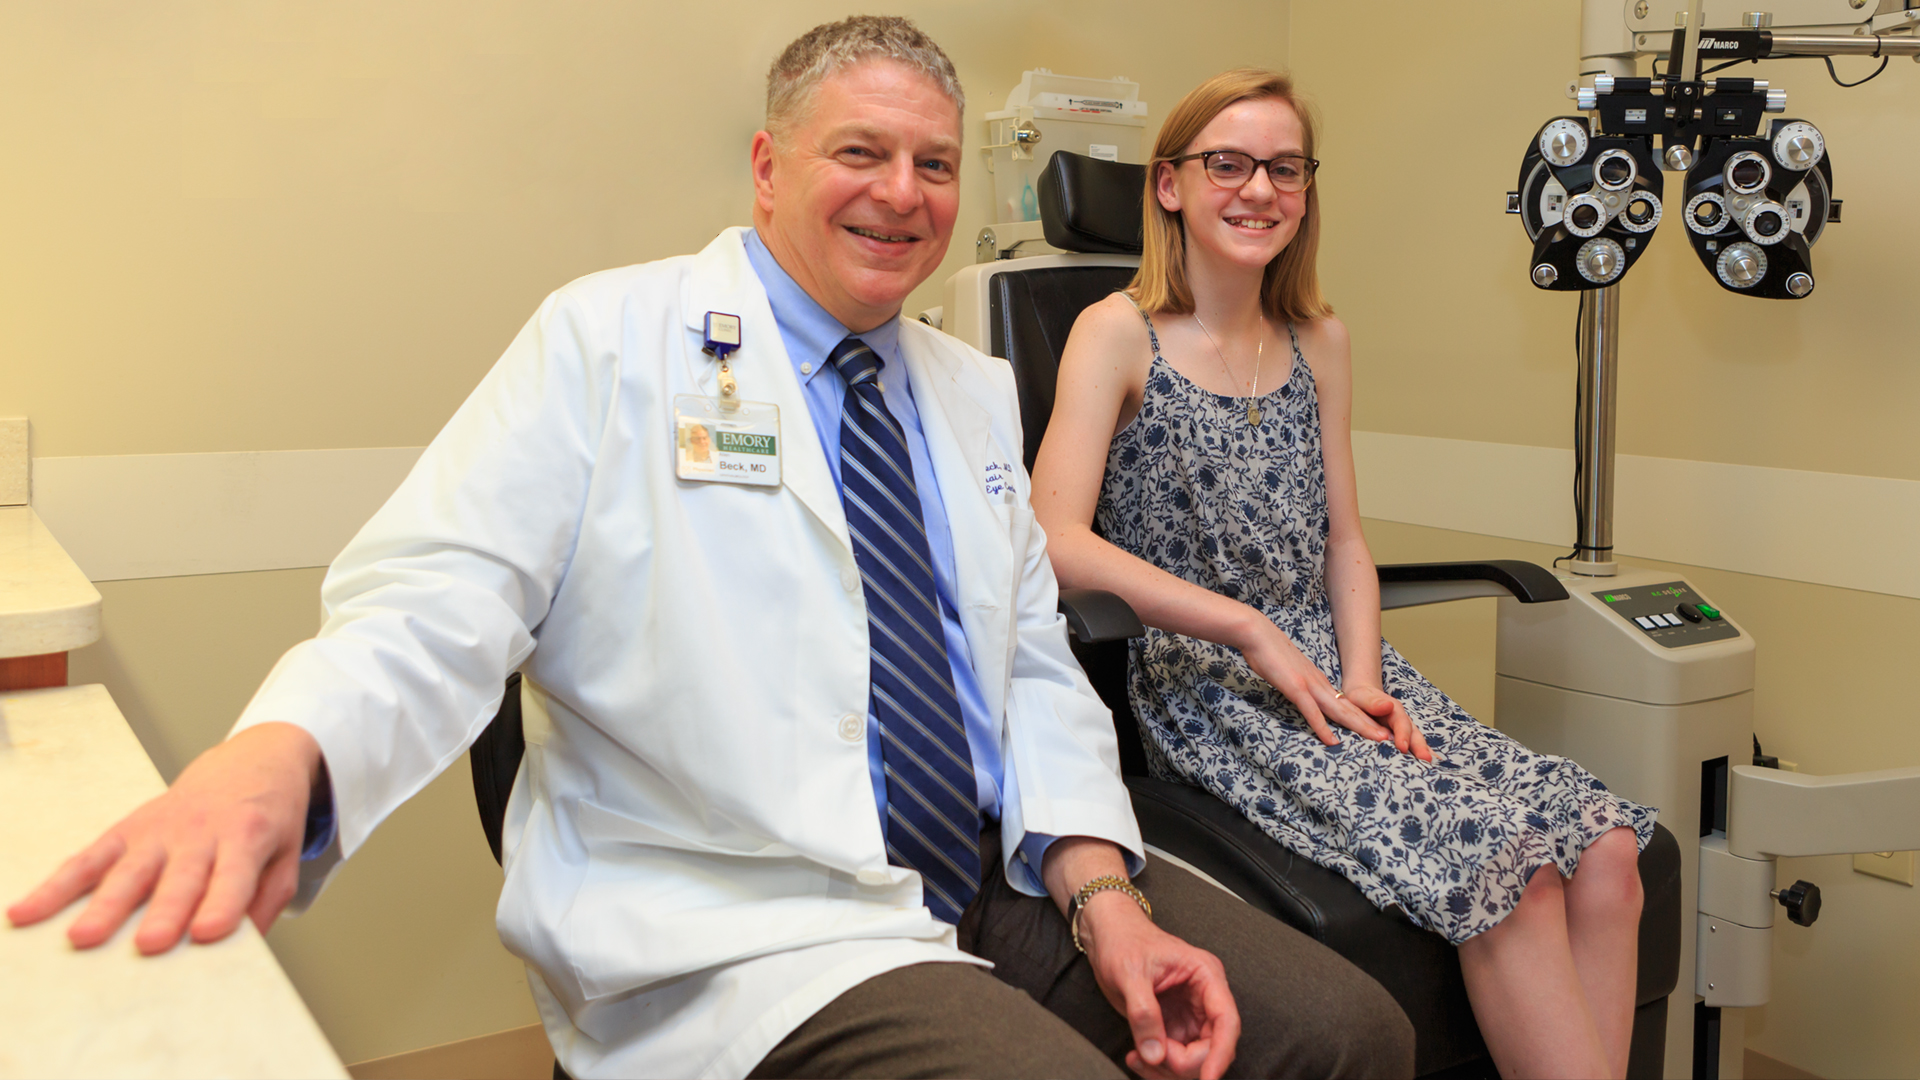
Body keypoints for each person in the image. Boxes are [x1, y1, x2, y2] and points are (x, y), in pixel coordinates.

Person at [8, 24, 1415, 1080]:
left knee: (1349, 1037)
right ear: (767, 167)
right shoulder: (608, 341)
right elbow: (439, 598)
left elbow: (1030, 666)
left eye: (933, 161)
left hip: (1000, 870)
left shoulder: (970, 390)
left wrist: (1103, 894)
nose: (905, 193)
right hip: (757, 920)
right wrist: (280, 756)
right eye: (859, 153)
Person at [1029, 68, 1657, 1080]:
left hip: (1342, 670)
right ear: (1170, 185)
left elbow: (1345, 545)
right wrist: (1247, 628)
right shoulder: (1118, 332)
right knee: (1511, 871)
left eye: (1285, 168)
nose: (1259, 189)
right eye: (1226, 164)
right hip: (1215, 691)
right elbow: (1051, 534)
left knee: (1607, 849)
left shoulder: (1320, 339)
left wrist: (1363, 675)